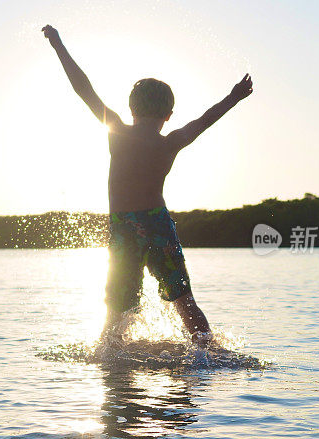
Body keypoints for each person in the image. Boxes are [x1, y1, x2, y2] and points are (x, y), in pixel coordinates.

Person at [42, 25, 253, 344]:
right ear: (168, 115)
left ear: (131, 108)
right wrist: (233, 98)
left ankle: (113, 363)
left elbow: (83, 89)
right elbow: (205, 120)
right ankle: (206, 352)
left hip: (123, 228)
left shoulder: (116, 131)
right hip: (158, 225)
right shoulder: (170, 141)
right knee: (183, 300)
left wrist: (58, 46)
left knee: (117, 310)